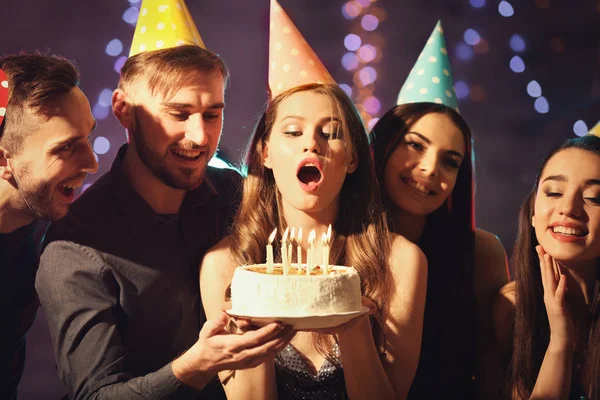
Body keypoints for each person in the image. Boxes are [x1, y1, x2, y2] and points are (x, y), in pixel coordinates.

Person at [35, 2, 294, 399]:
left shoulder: (237, 197)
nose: (200, 136)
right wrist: (197, 364)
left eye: (212, 114)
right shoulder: (77, 247)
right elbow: (94, 396)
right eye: (179, 113)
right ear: (123, 109)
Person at [200, 2, 427, 399]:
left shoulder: (400, 261)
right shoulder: (226, 267)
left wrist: (353, 325)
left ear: (353, 158)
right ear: (265, 154)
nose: (313, 143)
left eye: (331, 132)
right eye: (293, 132)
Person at [370, 21, 508, 399]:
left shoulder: (480, 253)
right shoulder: (340, 242)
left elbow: (492, 375)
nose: (430, 168)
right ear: (382, 146)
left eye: (449, 161)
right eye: (415, 145)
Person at [0, 52, 98, 399]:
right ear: (3, 158)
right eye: (67, 148)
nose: (92, 162)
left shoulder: (36, 235)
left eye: (87, 137)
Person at [494, 135, 600, 400]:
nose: (568, 208)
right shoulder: (510, 309)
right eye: (554, 192)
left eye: (594, 197)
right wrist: (561, 340)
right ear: (532, 211)